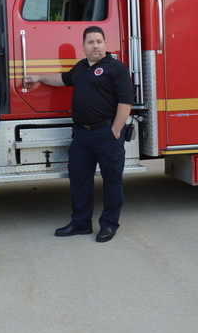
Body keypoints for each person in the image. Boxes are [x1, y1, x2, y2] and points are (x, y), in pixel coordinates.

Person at [24, 26, 133, 243]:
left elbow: (125, 101)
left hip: (106, 133)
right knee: (79, 181)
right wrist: (39, 77)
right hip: (82, 136)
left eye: (99, 41)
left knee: (112, 181)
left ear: (105, 44)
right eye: (91, 42)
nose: (95, 46)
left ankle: (109, 225)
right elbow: (63, 79)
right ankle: (81, 223)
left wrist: (116, 130)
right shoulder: (81, 67)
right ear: (83, 46)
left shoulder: (116, 68)